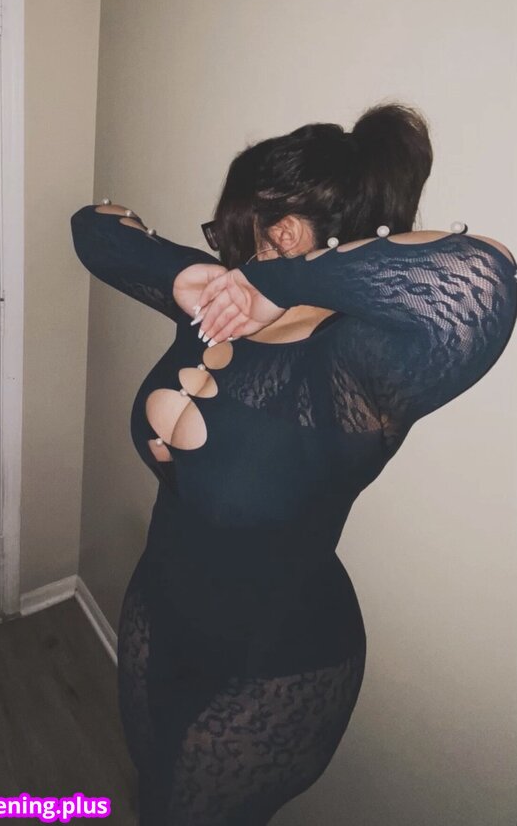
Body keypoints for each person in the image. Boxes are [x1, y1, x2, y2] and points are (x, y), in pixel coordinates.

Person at [70, 103, 516, 826]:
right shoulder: (217, 307)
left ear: (281, 233)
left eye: (229, 230)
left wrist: (284, 283)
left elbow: (482, 276)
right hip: (160, 606)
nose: (225, 248)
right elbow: (92, 228)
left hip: (279, 660)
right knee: (154, 792)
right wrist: (185, 273)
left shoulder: (358, 362)